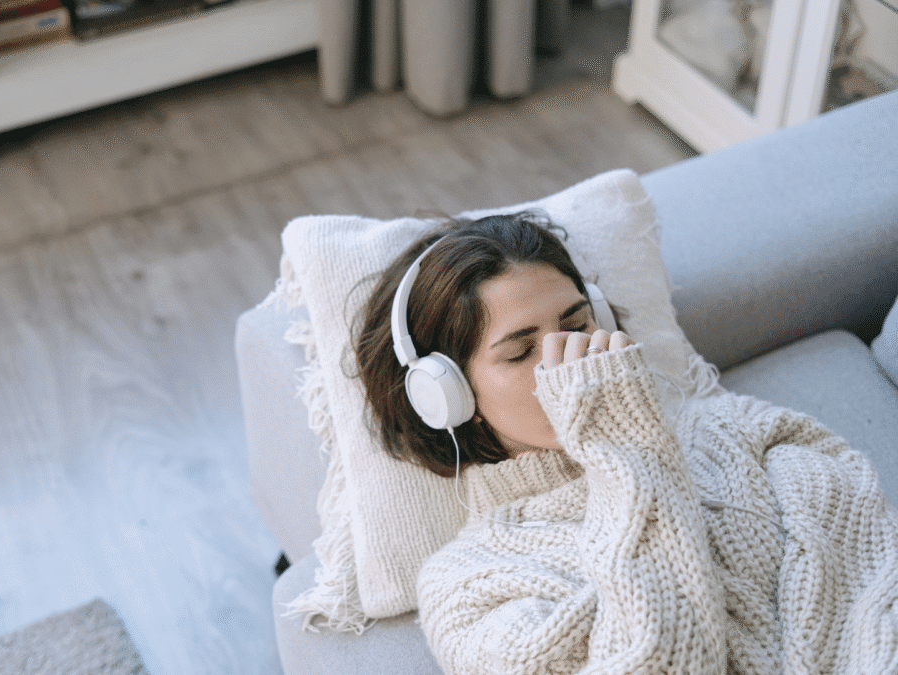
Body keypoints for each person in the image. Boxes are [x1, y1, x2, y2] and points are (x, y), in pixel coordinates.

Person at [352, 211, 898, 675]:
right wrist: (625, 451)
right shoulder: (466, 588)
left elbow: (868, 553)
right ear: (447, 397)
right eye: (521, 352)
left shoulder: (726, 426)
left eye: (579, 323)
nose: (572, 357)